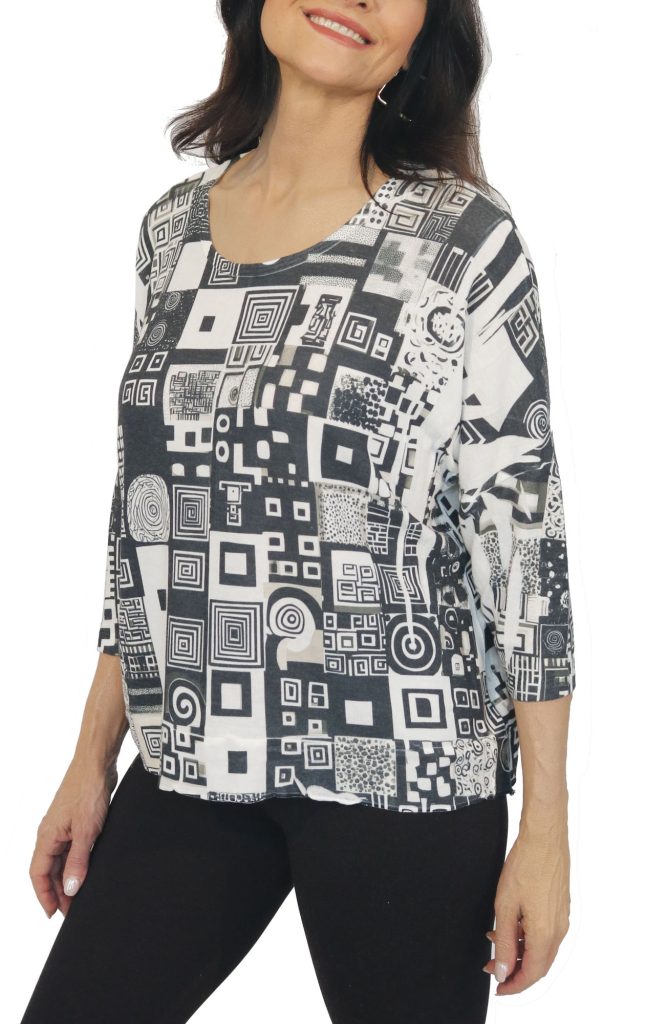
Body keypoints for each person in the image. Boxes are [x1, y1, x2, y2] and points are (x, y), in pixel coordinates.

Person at [20, 2, 577, 1022]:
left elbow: (524, 538)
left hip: (401, 763)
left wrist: (546, 825)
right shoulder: (173, 234)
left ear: (419, 42)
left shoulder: (461, 242)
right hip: (193, 751)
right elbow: (149, 523)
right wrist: (90, 758)